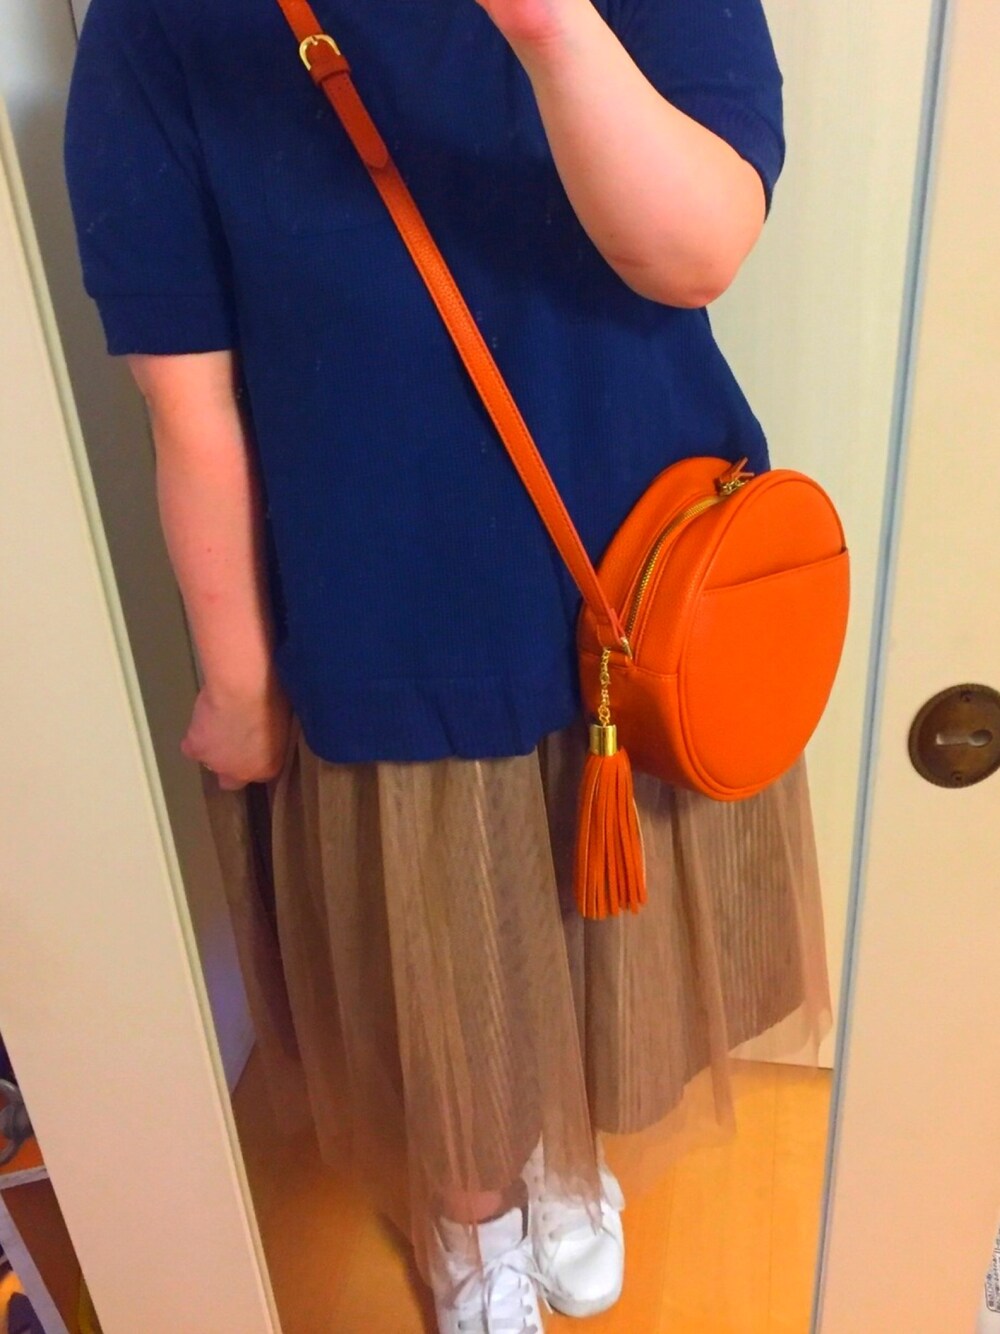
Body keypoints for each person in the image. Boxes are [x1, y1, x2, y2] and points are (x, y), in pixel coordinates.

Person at [64, 0, 832, 1329]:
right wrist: (240, 681)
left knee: (596, 950)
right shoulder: (161, 26)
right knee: (440, 965)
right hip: (384, 612)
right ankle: (469, 1210)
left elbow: (698, 251)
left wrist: (552, 27)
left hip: (640, 598)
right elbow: (189, 405)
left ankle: (561, 1158)